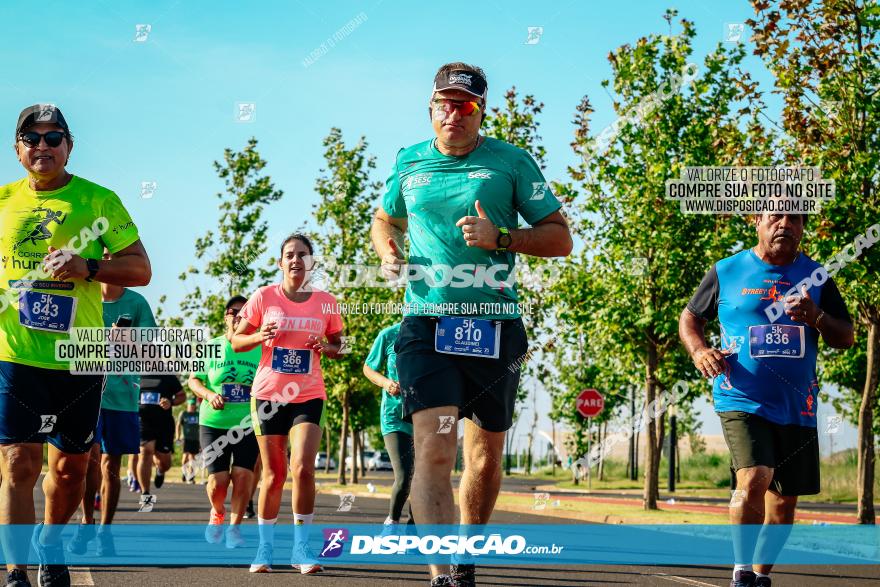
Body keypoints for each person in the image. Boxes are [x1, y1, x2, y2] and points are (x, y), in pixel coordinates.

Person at [370, 63, 572, 586]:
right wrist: (387, 247)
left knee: (483, 457)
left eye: (466, 105)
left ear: (481, 111)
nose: (454, 113)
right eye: (445, 103)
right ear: (430, 108)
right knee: (435, 447)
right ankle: (443, 574)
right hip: (426, 322)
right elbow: (384, 216)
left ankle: (466, 554)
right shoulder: (409, 161)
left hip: (493, 325)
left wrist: (502, 237)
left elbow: (558, 237)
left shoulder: (511, 162)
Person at [0, 104, 151, 587]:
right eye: (32, 138)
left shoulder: (99, 201)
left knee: (68, 472)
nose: (42, 146)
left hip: (79, 356)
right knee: (18, 464)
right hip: (14, 353)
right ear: (17, 147)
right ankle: (18, 569)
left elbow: (141, 270)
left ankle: (51, 542)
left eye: (54, 137)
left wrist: (88, 267)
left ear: (69, 146)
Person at [679, 212, 854, 587]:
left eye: (795, 219)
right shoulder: (727, 270)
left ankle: (759, 576)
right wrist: (699, 352)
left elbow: (846, 336)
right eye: (776, 216)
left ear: (803, 228)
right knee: (756, 475)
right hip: (740, 397)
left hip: (798, 406)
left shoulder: (817, 276)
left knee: (784, 501)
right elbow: (691, 318)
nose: (785, 224)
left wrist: (816, 316)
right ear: (757, 221)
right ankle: (741, 572)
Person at [231, 233, 344, 574]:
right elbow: (237, 341)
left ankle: (301, 548)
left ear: (312, 262)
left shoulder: (326, 302)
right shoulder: (264, 297)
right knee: (274, 474)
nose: (296, 260)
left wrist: (327, 348)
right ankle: (264, 548)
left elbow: (341, 344)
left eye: (303, 254)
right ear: (280, 263)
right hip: (268, 394)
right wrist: (258, 336)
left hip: (308, 393)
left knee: (303, 469)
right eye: (290, 255)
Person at [68, 273, 156, 556]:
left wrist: (127, 338)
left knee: (111, 469)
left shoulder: (137, 302)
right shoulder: (85, 296)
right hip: (86, 391)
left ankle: (106, 531)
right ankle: (87, 521)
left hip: (122, 395)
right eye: (104, 256)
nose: (110, 263)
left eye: (115, 257)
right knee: (89, 462)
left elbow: (151, 346)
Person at [188, 295, 261, 548]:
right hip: (213, 421)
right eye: (233, 312)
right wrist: (209, 394)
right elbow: (194, 380)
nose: (238, 315)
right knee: (217, 482)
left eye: (244, 312)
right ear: (225, 316)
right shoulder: (212, 346)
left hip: (248, 423)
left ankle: (235, 528)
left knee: (242, 476)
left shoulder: (259, 347)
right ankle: (217, 512)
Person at [363, 322, 415, 526]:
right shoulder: (389, 334)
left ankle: (414, 530)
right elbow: (368, 368)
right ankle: (392, 522)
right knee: (405, 476)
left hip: (425, 416)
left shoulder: (435, 333)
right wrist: (386, 383)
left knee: (424, 479)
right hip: (395, 416)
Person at [135, 373, 185, 510]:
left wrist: (171, 402)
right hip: (143, 421)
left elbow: (182, 395)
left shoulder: (168, 376)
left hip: (164, 424)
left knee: (165, 463)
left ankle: (160, 471)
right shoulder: (136, 374)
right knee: (145, 453)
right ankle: (145, 495)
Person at [176, 398, 200, 483]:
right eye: (191, 406)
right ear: (188, 406)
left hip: (195, 439)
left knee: (192, 458)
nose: (192, 407)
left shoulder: (198, 414)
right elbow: (178, 425)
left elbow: (201, 427)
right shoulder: (184, 414)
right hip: (185, 438)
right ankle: (184, 472)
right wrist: (177, 437)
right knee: (185, 457)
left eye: (193, 406)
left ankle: (190, 476)